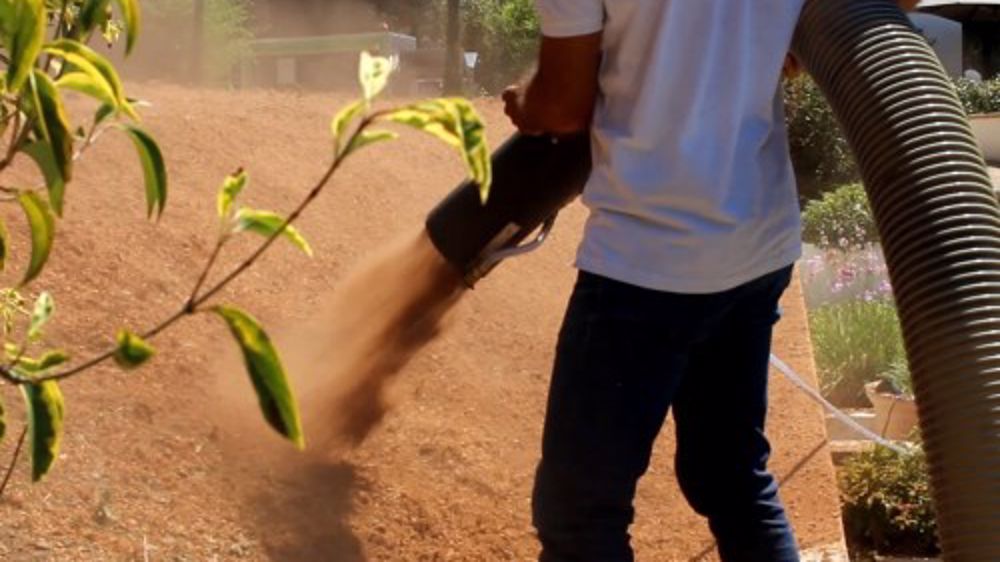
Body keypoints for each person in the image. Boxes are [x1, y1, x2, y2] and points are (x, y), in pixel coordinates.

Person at [502, 1, 917, 560]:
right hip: (754, 246)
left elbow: (563, 107)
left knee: (580, 513)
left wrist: (526, 105)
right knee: (732, 480)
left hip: (646, 257)